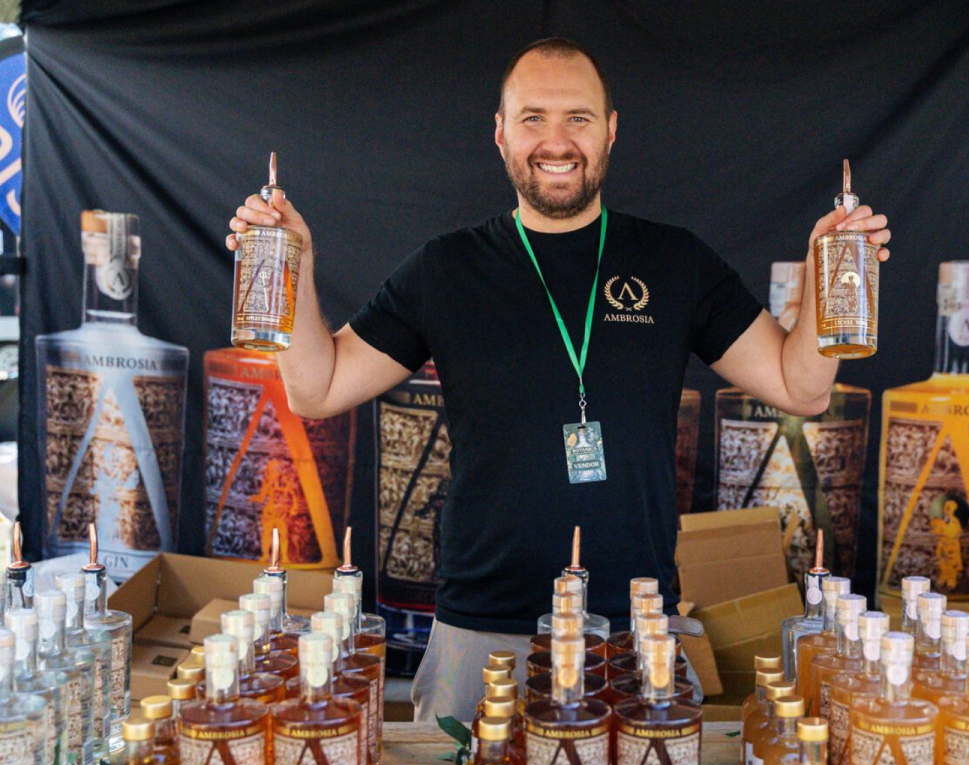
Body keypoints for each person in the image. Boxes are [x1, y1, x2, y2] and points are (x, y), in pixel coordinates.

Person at [226, 38, 892, 722]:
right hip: (479, 631)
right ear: (500, 133)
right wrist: (294, 268)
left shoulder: (673, 261)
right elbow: (318, 387)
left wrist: (826, 276)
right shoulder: (446, 269)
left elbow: (800, 387)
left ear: (609, 129)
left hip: (631, 631)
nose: (555, 140)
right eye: (532, 117)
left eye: (577, 118)